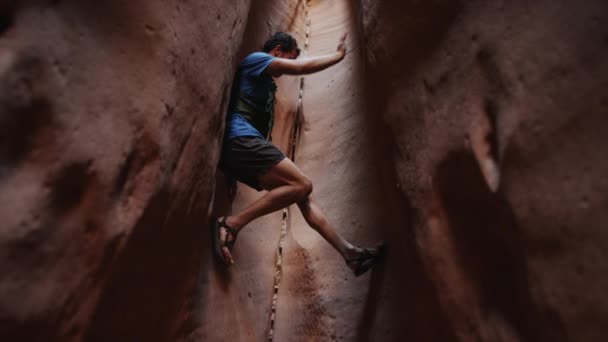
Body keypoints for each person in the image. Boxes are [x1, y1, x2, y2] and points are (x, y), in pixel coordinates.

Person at [211, 32, 383, 276]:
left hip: (242, 148)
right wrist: (337, 56)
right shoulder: (257, 59)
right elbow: (300, 67)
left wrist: (233, 173)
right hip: (241, 138)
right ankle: (231, 223)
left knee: (302, 195)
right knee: (303, 184)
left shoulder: (264, 83)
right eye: (287, 60)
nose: (284, 69)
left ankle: (349, 254)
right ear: (278, 50)